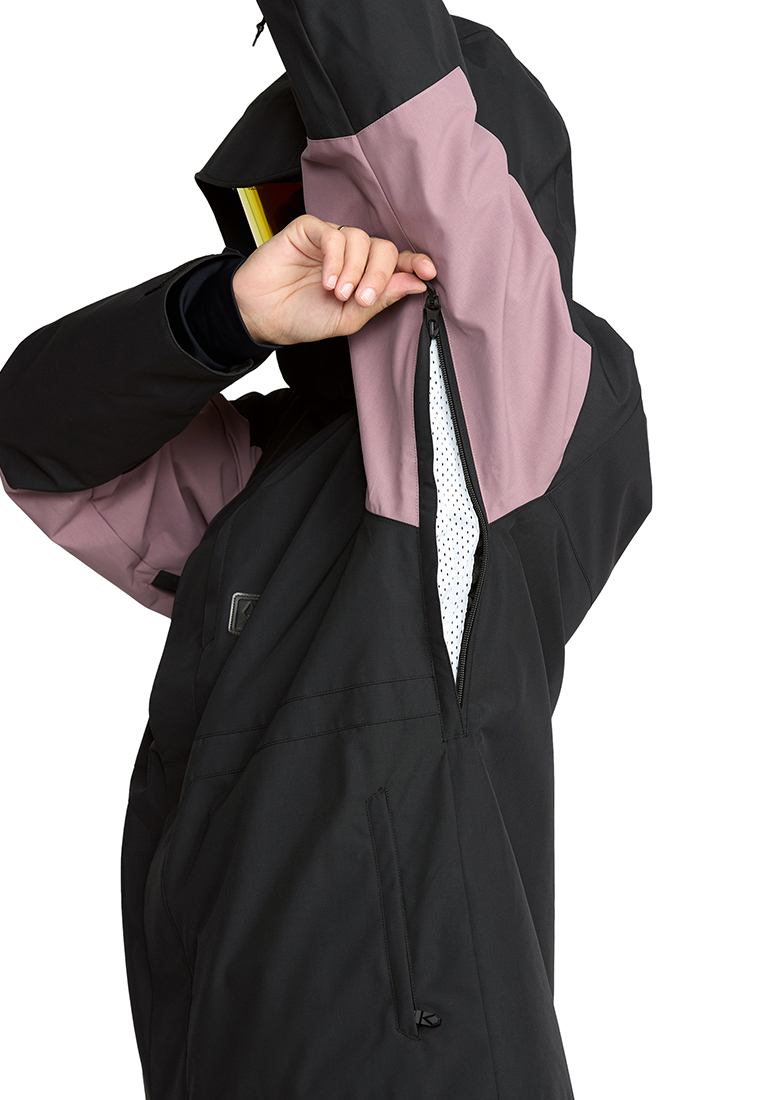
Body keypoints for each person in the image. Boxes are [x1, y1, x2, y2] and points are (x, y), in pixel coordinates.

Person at [0, 2, 652, 1097]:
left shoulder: (508, 421)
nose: (318, 235)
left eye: (335, 196)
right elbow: (40, 445)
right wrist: (224, 316)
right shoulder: (274, 472)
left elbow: (402, 119)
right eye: (281, 212)